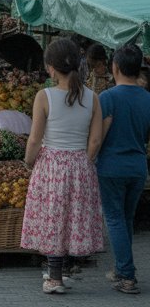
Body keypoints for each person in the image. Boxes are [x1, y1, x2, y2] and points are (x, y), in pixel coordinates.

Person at [20, 37, 103, 295]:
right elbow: (96, 139)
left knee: (53, 218)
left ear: (51, 68)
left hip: (51, 164)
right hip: (79, 162)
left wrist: (28, 161)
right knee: (71, 217)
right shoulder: (93, 97)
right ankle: (64, 271)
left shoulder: (44, 96)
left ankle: (54, 278)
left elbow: (34, 138)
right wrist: (85, 160)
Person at [96, 43, 150, 295]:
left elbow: (99, 137)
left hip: (111, 167)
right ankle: (121, 269)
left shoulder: (107, 98)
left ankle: (127, 276)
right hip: (138, 167)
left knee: (115, 219)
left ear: (114, 67)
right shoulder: (147, 98)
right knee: (126, 219)